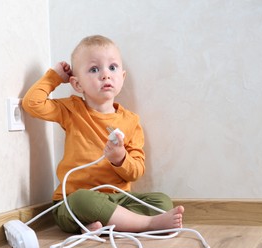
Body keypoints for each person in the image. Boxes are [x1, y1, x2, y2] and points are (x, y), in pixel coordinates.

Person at [22, 35, 184, 234]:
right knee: (82, 200)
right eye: (94, 69)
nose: (105, 75)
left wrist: (120, 159)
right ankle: (145, 225)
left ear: (122, 77)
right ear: (77, 84)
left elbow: (136, 171)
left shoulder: (130, 121)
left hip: (120, 200)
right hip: (76, 201)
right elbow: (32, 104)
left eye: (113, 67)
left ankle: (105, 226)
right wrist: (54, 77)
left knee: (161, 201)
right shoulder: (72, 110)